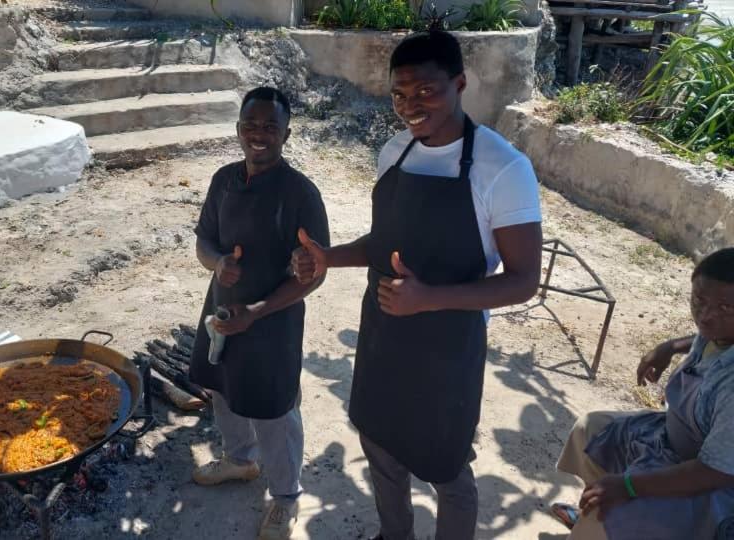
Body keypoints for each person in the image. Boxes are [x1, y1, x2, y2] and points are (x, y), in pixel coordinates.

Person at [292, 31, 543, 540]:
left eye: (426, 91)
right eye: (399, 94)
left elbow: (523, 282)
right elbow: (385, 244)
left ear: (459, 84)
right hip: (384, 332)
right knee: (380, 444)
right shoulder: (394, 152)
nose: (410, 106)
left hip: (448, 350)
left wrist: (429, 299)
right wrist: (330, 258)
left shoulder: (503, 169)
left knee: (445, 465)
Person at [188, 86, 331, 540]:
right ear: (238, 130)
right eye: (251, 125)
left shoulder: (301, 194)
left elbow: (315, 274)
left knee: (274, 409)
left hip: (274, 321)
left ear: (287, 133)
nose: (259, 134)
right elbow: (204, 243)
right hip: (222, 312)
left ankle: (285, 497)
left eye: (271, 126)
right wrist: (218, 264)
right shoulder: (224, 180)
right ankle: (240, 461)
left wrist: (257, 310)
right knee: (223, 387)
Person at [554, 247, 734, 540]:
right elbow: (706, 333)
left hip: (708, 482)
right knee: (590, 430)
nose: (706, 316)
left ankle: (600, 524)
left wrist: (628, 485)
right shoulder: (720, 332)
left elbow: (714, 472)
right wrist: (672, 346)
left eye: (726, 308)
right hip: (669, 442)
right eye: (699, 300)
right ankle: (597, 510)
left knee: (605, 520)